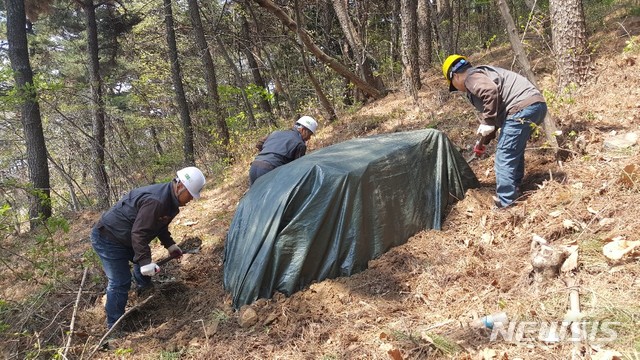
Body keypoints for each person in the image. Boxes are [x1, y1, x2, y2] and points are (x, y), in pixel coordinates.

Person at [91, 166, 206, 329]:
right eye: (191, 194)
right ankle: (114, 327)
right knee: (120, 281)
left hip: (128, 236)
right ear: (180, 186)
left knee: (143, 258)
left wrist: (170, 245)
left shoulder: (170, 200)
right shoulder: (157, 201)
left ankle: (144, 290)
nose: (191, 199)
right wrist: (145, 263)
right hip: (108, 237)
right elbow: (139, 233)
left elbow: (159, 224)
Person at [442, 54, 547, 208]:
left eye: (453, 85)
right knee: (513, 150)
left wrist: (488, 121)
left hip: (520, 107)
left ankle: (506, 203)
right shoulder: (482, 74)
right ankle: (515, 187)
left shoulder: (471, 78)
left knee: (504, 155)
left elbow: (490, 92)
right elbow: (496, 113)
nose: (458, 89)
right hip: (535, 105)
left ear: (455, 76)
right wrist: (484, 140)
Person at [248, 116, 318, 186]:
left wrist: (268, 153)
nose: (309, 138)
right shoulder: (300, 144)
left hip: (254, 167)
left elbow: (259, 144)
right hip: (270, 170)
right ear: (303, 130)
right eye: (309, 134)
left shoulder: (276, 133)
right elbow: (298, 168)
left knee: (256, 195)